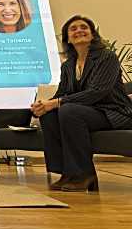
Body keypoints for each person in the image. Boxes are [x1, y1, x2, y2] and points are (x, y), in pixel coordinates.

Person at [31, 15, 132, 192]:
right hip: (87, 112)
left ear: (92, 34)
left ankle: (84, 174)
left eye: (83, 27)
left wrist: (57, 102)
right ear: (68, 39)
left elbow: (98, 91)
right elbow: (61, 94)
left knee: (69, 111)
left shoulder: (106, 57)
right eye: (73, 29)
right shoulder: (68, 65)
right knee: (50, 114)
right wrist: (43, 105)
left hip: (114, 112)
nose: (79, 30)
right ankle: (67, 173)